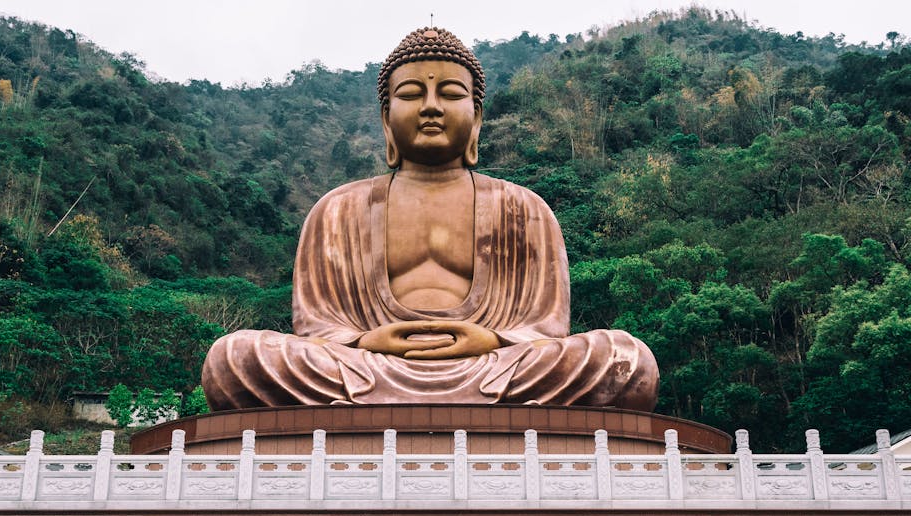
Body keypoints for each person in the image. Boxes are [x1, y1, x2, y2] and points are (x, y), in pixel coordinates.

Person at [201, 27, 659, 411]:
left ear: (476, 118)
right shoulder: (337, 209)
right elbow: (318, 327)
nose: (432, 106)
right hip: (366, 366)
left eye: (451, 93)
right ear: (386, 119)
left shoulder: (524, 209)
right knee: (234, 357)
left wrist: (493, 340)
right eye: (411, 94)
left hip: (494, 366)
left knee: (623, 359)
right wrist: (364, 342)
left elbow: (544, 328)